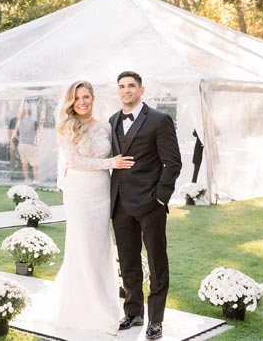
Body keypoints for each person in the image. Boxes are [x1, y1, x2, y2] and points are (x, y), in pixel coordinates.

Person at [48, 80, 134, 334]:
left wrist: (113, 165)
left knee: (100, 248)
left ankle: (106, 306)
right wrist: (111, 163)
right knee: (82, 247)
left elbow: (115, 155)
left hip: (101, 191)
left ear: (93, 98)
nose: (82, 102)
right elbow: (75, 161)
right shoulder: (66, 126)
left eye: (86, 97)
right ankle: (86, 310)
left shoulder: (105, 126)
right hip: (79, 191)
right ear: (71, 102)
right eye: (77, 98)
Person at [108, 71, 182, 340]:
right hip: (120, 204)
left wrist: (160, 197)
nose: (126, 90)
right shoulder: (112, 120)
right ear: (118, 91)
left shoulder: (160, 120)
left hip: (150, 203)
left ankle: (157, 320)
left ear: (141, 89)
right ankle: (134, 312)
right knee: (128, 263)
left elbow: (172, 162)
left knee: (157, 262)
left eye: (131, 86)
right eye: (121, 86)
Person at [11, 108, 39, 182]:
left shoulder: (19, 122)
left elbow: (15, 135)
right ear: (31, 114)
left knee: (24, 162)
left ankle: (27, 179)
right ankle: (35, 179)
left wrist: (20, 139)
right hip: (30, 145)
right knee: (35, 163)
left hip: (21, 145)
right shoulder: (34, 122)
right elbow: (38, 133)